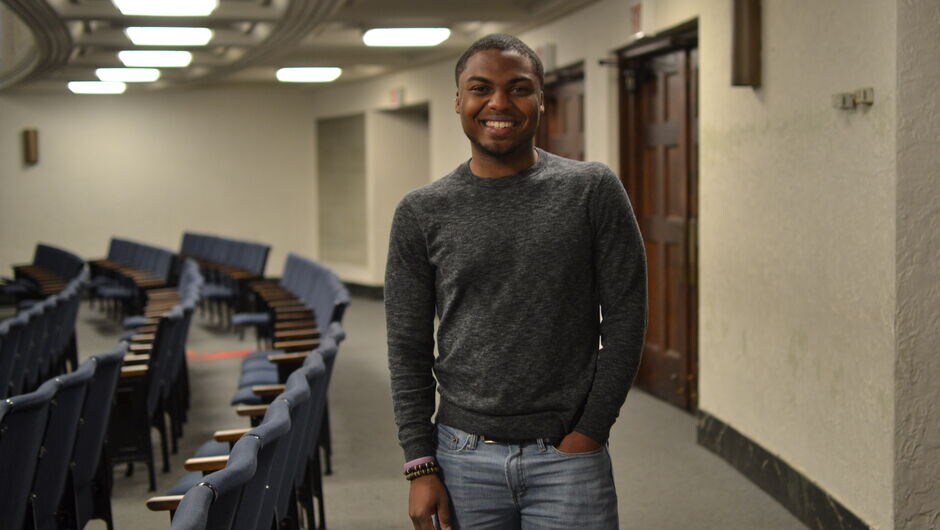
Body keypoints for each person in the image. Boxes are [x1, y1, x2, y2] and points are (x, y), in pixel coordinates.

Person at [385, 33, 647, 530]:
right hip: (460, 457)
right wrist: (420, 463)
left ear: (542, 101)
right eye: (480, 88)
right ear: (459, 101)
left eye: (519, 88)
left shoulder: (591, 191)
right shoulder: (422, 212)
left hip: (568, 458)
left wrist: (590, 431)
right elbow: (407, 345)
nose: (499, 103)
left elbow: (626, 319)